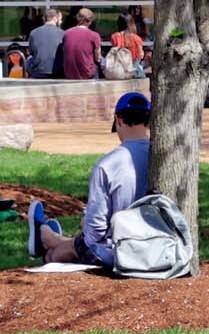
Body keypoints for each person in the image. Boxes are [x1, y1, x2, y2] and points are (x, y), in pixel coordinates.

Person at [29, 92, 153, 266]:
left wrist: (85, 224)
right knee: (74, 244)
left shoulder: (107, 165)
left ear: (118, 120)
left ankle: (47, 239)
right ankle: (51, 238)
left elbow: (95, 232)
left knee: (54, 255)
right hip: (155, 247)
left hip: (117, 253)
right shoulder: (162, 157)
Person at [59, 7, 104, 80]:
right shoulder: (94, 35)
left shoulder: (66, 33)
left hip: (69, 73)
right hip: (87, 74)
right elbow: (97, 58)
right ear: (90, 21)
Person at [105, 12, 147, 80]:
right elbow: (140, 55)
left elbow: (114, 51)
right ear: (131, 23)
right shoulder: (136, 38)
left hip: (119, 68)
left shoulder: (114, 37)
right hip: (133, 68)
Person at [26, 8, 67, 78]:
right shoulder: (63, 33)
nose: (61, 22)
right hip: (57, 72)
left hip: (38, 71)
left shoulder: (33, 32)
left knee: (29, 59)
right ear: (55, 18)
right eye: (60, 19)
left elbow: (31, 52)